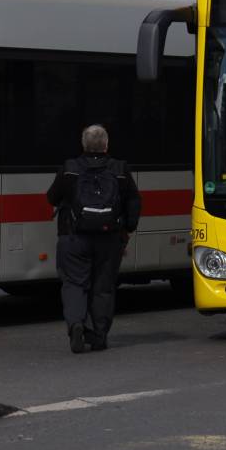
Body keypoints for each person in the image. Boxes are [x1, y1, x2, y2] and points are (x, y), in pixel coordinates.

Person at [47, 124, 141, 353]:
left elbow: (51, 197)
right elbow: (134, 202)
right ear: (106, 145)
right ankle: (98, 336)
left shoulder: (69, 168)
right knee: (103, 288)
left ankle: (77, 324)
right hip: (109, 239)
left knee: (74, 283)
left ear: (83, 144)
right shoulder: (120, 169)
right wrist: (127, 228)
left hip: (73, 237)